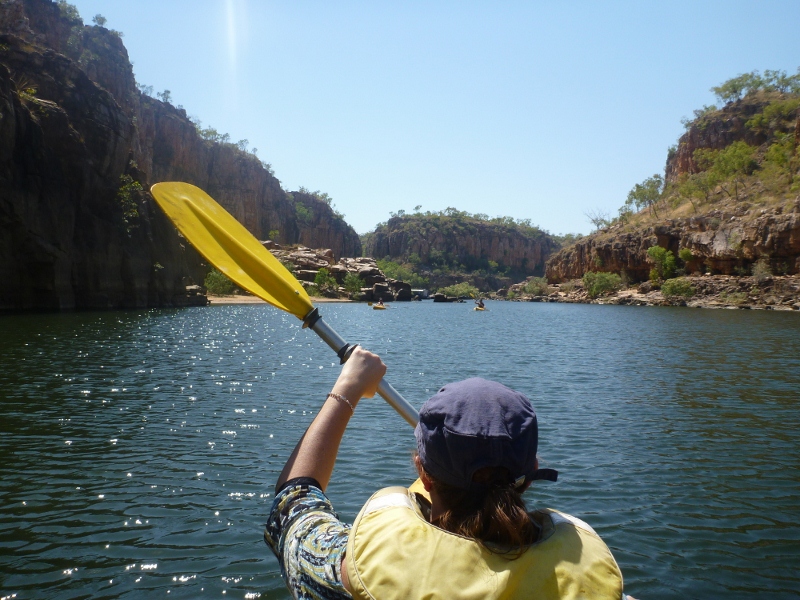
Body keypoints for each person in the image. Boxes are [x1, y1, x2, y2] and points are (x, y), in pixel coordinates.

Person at [265, 347, 631, 599]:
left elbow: (293, 504)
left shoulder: (348, 578)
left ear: (422, 473)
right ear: (531, 472)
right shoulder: (596, 587)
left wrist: (347, 389)